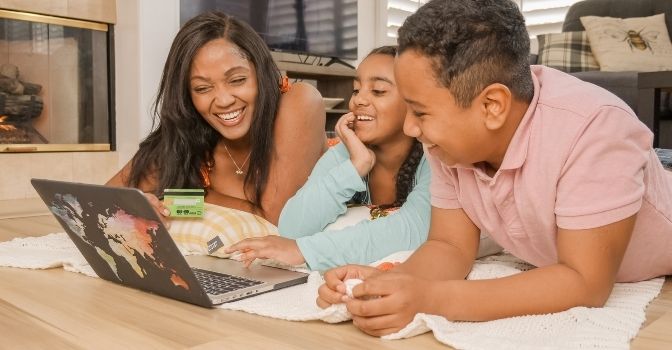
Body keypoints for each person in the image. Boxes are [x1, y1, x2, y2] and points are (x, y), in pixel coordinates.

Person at [316, 0, 672, 337]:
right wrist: (390, 284)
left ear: (492, 106)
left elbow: (585, 282)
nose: (410, 128)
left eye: (420, 112)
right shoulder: (449, 145)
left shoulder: (595, 130)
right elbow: (449, 246)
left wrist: (434, 299)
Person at [106, 11, 326, 225]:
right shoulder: (188, 142)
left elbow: (277, 218)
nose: (223, 100)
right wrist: (143, 204)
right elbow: (98, 199)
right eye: (202, 88)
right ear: (187, 96)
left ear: (260, 73)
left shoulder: (298, 102)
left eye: (237, 80)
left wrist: (178, 199)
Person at [224, 46, 431, 270]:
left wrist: (305, 250)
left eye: (378, 91)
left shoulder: (435, 158)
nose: (358, 100)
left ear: (415, 102)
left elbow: (413, 230)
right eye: (356, 90)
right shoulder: (346, 153)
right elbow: (292, 228)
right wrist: (355, 167)